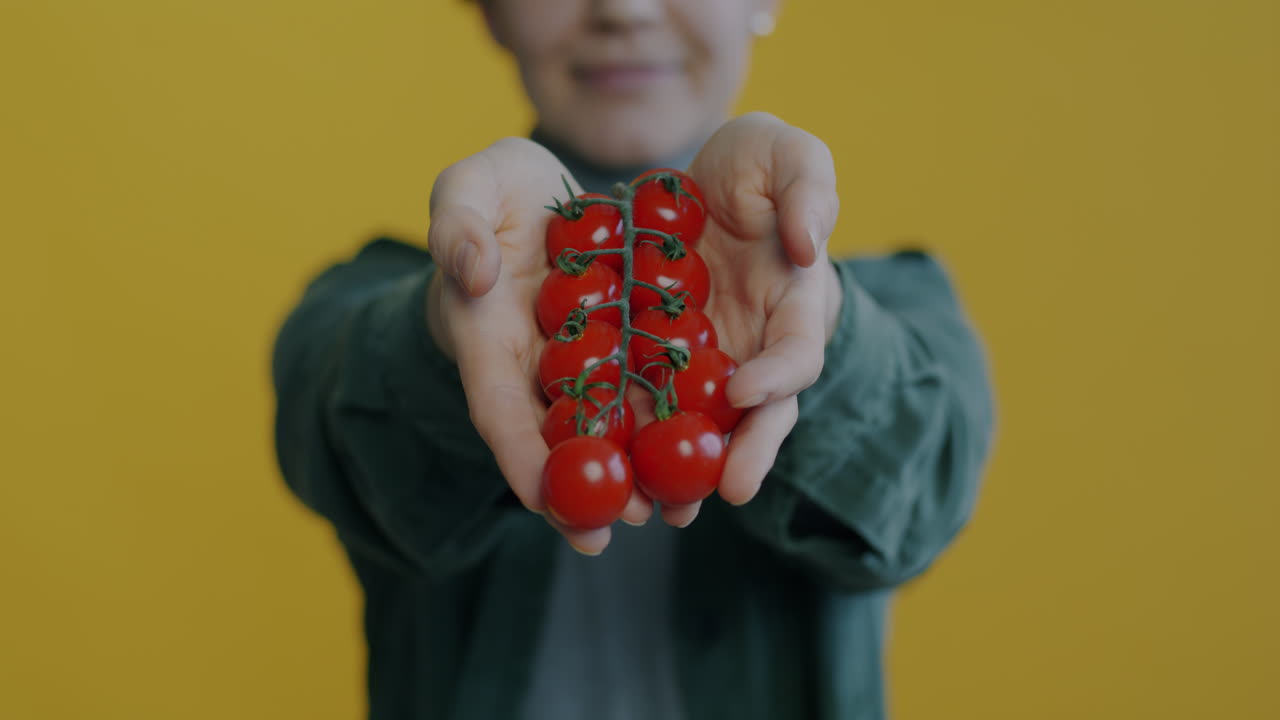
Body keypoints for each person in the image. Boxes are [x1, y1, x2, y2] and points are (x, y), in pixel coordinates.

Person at [272, 1, 994, 718]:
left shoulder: (900, 300)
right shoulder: (378, 299)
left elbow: (924, 495)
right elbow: (335, 433)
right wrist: (446, 319)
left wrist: (823, 322)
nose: (625, 8)